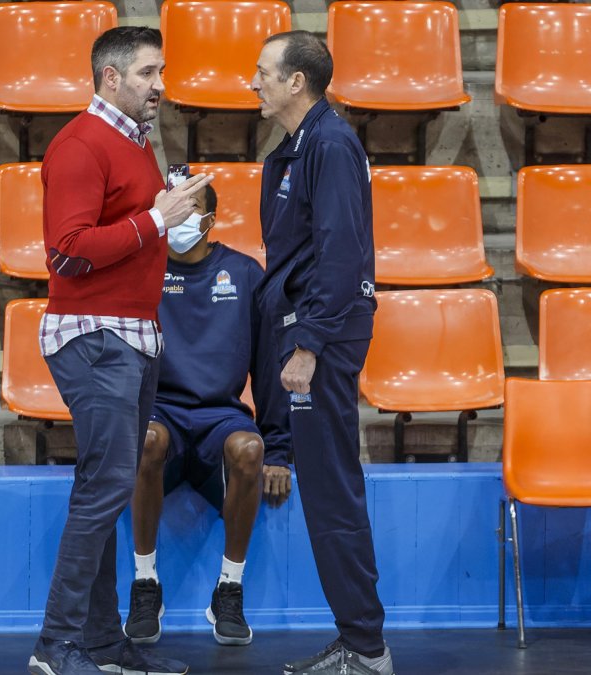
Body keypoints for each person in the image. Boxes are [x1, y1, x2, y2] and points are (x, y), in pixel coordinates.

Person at [30, 26, 212, 675]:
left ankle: (103, 644)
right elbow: (69, 249)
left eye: (161, 72)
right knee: (105, 487)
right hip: (96, 336)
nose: (161, 85)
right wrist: (157, 220)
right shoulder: (81, 144)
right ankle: (56, 646)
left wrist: (177, 223)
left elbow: (131, 233)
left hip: (129, 335)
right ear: (111, 77)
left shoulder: (135, 143)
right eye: (148, 73)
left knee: (106, 488)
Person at [250, 31, 391, 675]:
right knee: (328, 487)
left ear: (296, 82)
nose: (253, 83)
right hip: (309, 327)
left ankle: (365, 646)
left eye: (263, 72)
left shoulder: (330, 144)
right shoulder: (297, 147)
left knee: (333, 489)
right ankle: (359, 638)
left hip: (323, 337)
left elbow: (340, 253)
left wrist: (307, 343)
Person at [122, 187, 292, 647]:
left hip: (221, 415)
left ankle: (229, 587)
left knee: (250, 449)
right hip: (162, 411)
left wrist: (279, 449)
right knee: (145, 440)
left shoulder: (244, 273)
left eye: (190, 208)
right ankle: (144, 583)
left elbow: (271, 368)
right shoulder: (143, 270)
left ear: (210, 219)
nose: (179, 215)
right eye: (171, 204)